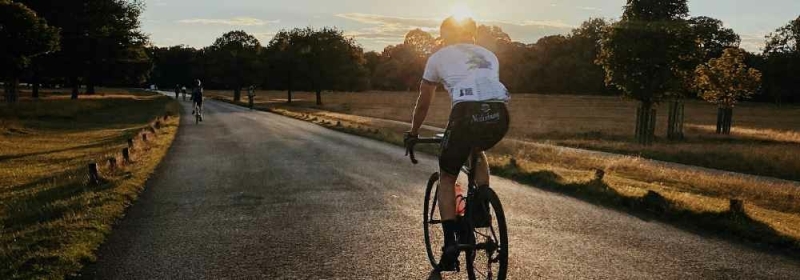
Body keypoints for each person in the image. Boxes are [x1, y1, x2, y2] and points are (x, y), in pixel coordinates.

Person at [404, 16, 510, 280]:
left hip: (465, 115)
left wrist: (414, 132)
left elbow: (424, 101)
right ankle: (482, 204)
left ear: (444, 34)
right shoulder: (489, 54)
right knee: (476, 150)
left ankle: (451, 245)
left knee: (447, 176)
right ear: (472, 34)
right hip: (499, 114)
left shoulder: (438, 57)